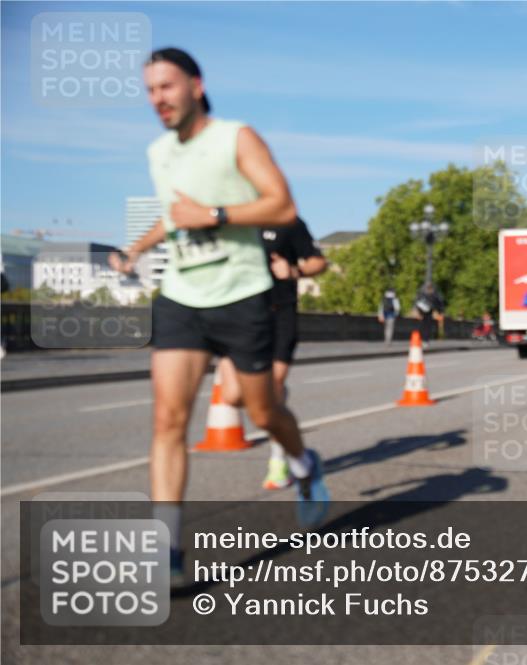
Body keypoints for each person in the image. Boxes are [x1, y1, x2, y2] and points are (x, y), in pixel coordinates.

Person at [109, 48, 328, 579]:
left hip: (241, 294)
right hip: (183, 296)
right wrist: (137, 249)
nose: (158, 98)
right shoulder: (158, 152)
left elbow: (281, 204)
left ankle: (304, 464)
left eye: (167, 86)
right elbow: (171, 216)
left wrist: (216, 214)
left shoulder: (236, 137)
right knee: (167, 420)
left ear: (196, 85)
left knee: (262, 411)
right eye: (150, 89)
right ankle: (168, 549)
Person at [219, 217, 328, 491]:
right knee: (232, 396)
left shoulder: (287, 221)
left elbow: (318, 262)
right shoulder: (231, 222)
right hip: (240, 317)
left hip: (280, 315)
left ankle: (280, 460)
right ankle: (279, 401)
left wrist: (293, 271)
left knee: (272, 391)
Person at [414, 283, 444, 348]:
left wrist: (418, 312)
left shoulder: (423, 294)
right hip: (428, 313)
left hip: (423, 313)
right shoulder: (434, 295)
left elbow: (417, 303)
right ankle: (424, 341)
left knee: (423, 327)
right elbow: (439, 304)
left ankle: (423, 340)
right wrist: (440, 312)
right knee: (426, 327)